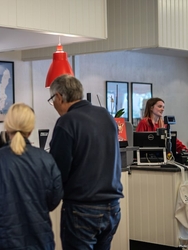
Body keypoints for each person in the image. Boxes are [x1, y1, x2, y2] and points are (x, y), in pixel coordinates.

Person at [0, 103, 63, 249]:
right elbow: (54, 200)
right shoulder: (46, 159)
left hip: (1, 242)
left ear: (7, 127)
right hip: (40, 241)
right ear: (31, 129)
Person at [48, 74, 123, 250]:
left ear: (59, 96)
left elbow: (58, 170)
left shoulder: (66, 122)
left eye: (52, 100)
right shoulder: (106, 116)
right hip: (112, 207)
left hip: (82, 208)